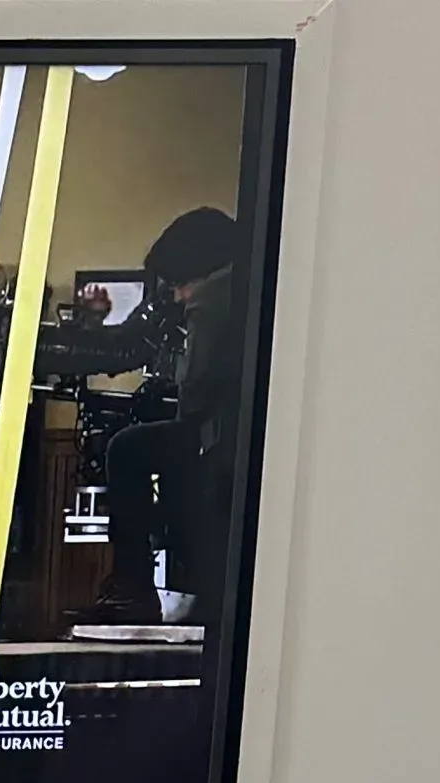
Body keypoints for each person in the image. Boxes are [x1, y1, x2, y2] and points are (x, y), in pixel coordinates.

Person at [86, 206, 244, 630]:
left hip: (221, 439)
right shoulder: (249, 285)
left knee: (127, 448)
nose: (176, 298)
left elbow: (196, 381)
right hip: (227, 436)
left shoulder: (215, 295)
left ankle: (132, 588)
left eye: (178, 286)